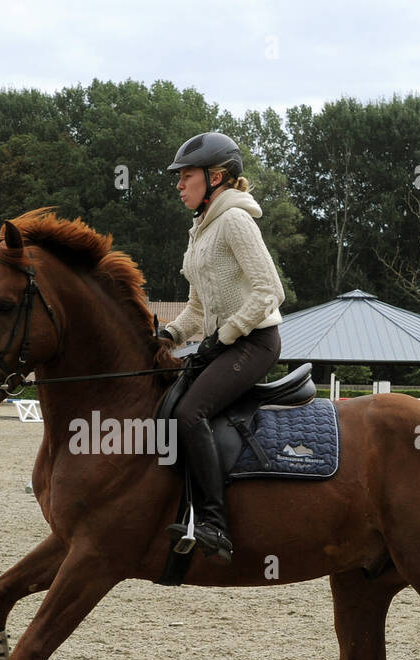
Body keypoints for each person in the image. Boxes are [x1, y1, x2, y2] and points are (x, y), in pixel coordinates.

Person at [156, 132, 285, 562]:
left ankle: (215, 523)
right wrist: (169, 335)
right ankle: (185, 509)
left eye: (185, 176)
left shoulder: (234, 221)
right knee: (171, 406)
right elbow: (196, 306)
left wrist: (225, 335)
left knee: (192, 413)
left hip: (254, 342)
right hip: (222, 346)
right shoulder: (201, 229)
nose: (178, 185)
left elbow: (270, 290)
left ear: (217, 177)